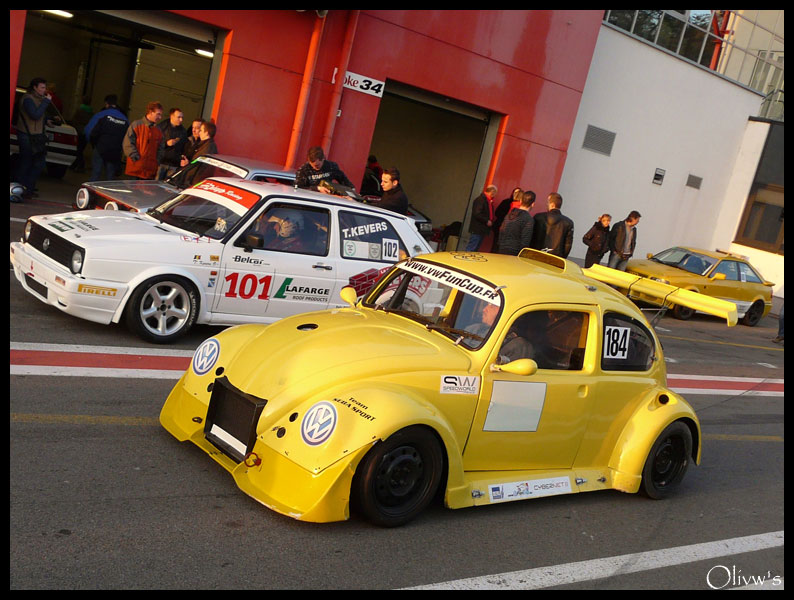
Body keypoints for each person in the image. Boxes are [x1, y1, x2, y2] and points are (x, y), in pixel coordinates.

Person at [14, 77, 52, 200]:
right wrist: (46, 102)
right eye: (42, 87)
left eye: (45, 88)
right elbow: (34, 115)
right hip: (26, 134)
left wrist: (47, 121)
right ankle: (22, 189)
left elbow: (39, 116)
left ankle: (27, 188)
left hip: (35, 135)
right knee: (28, 162)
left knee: (36, 163)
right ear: (35, 87)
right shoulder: (28, 99)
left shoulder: (38, 99)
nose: (44, 90)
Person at [84, 94, 129, 182]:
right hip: (115, 150)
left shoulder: (101, 115)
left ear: (106, 103)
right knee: (110, 177)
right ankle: (108, 194)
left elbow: (89, 131)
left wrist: (94, 144)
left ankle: (91, 193)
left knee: (96, 173)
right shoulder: (124, 119)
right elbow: (127, 137)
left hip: (101, 148)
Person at [123, 101, 164, 180]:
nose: (160, 117)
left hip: (149, 172)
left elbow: (160, 149)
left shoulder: (158, 131)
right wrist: (136, 157)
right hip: (134, 170)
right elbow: (127, 143)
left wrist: (156, 162)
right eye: (158, 114)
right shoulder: (136, 125)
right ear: (151, 112)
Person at [531, 192, 574, 258]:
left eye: (548, 202)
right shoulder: (568, 222)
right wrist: (561, 258)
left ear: (552, 205)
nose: (546, 204)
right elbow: (568, 245)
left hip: (536, 254)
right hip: (555, 258)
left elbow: (532, 237)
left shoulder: (538, 217)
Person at [497, 190, 536, 255]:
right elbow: (525, 240)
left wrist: (500, 245)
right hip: (515, 252)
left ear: (520, 201)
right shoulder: (528, 219)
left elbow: (501, 231)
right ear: (533, 204)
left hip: (502, 248)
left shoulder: (509, 214)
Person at [156, 108, 187, 180]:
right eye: (179, 117)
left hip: (174, 164)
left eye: (182, 117)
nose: (181, 120)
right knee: (155, 184)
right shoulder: (161, 127)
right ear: (171, 116)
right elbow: (155, 143)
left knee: (168, 186)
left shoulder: (183, 131)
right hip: (161, 162)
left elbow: (184, 147)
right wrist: (166, 143)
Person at [465, 184, 498, 251]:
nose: (495, 195)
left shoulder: (487, 201)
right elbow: (477, 213)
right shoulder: (481, 200)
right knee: (472, 247)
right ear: (492, 191)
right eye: (495, 192)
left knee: (475, 248)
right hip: (478, 228)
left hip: (481, 228)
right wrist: (486, 221)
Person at [493, 187, 523, 251]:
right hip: (500, 227)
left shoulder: (519, 207)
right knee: (496, 246)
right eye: (515, 192)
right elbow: (497, 212)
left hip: (508, 231)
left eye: (518, 193)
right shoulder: (506, 202)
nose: (516, 194)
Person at [69, 96, 94, 172]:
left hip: (79, 132)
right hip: (86, 133)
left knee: (78, 149)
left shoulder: (79, 110)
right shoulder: (92, 113)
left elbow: (74, 120)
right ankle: (75, 165)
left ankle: (80, 164)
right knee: (81, 149)